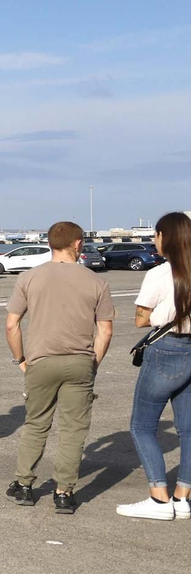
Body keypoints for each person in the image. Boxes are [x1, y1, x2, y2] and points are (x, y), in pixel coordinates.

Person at [4, 220, 115, 514]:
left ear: (50, 243)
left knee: (36, 424)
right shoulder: (96, 281)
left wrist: (21, 360)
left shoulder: (29, 278)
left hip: (41, 361)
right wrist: (93, 363)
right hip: (80, 362)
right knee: (73, 430)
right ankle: (64, 492)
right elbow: (105, 330)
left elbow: (12, 323)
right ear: (77, 244)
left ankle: (24, 485)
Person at [118, 211, 191, 520]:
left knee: (142, 425)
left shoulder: (160, 274)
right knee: (188, 429)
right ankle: (183, 497)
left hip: (167, 349)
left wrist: (157, 314)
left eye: (156, 235)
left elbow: (140, 319)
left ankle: (159, 498)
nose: (153, 240)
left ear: (166, 238)